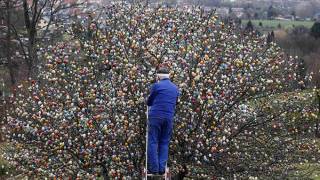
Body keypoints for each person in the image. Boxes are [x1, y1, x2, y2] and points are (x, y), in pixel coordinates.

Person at [147, 67, 179, 175]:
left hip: (156, 116)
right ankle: (161, 169)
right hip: (169, 117)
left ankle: (153, 168)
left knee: (153, 141)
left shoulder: (157, 85)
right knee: (164, 142)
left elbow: (149, 102)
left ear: (158, 76)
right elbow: (176, 102)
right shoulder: (175, 88)